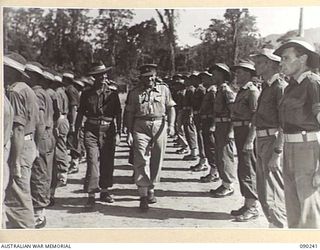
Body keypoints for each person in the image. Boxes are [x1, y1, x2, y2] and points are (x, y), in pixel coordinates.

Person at [274, 39, 320, 228]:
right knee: (292, 207)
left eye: (286, 57)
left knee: (308, 208)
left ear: (302, 59)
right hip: (290, 147)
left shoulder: (312, 82)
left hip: (307, 149)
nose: (281, 62)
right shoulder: (291, 85)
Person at [125, 64, 176, 212]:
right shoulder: (134, 93)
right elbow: (128, 113)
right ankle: (143, 195)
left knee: (157, 158)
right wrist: (128, 132)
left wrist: (171, 126)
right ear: (141, 78)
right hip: (140, 125)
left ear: (155, 75)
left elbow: (171, 107)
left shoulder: (164, 89)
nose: (150, 79)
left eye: (152, 76)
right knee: (141, 159)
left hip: (160, 125)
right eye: (146, 77)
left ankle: (151, 188)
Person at [74, 61, 122, 207]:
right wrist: (76, 132)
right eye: (99, 75)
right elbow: (81, 113)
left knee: (107, 161)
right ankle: (91, 194)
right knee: (92, 161)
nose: (102, 77)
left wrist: (119, 132)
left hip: (108, 130)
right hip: (91, 131)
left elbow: (118, 114)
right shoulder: (86, 94)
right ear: (94, 77)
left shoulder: (113, 94)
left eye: (104, 74)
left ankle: (105, 191)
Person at [250, 48, 288, 228]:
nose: (255, 66)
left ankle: (279, 227)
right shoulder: (266, 86)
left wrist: (277, 153)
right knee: (264, 190)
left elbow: (284, 124)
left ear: (270, 64)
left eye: (259, 62)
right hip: (262, 140)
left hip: (272, 140)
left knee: (272, 190)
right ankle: (274, 225)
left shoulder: (279, 87)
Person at [4, 53, 39, 228]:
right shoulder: (27, 89)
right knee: (22, 191)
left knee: (18, 196)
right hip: (28, 144)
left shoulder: (14, 91)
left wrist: (15, 161)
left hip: (20, 146)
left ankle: (25, 234)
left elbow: (18, 127)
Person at [25, 61, 55, 229]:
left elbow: (40, 122)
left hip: (41, 136)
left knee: (38, 173)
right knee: (44, 172)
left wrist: (35, 144)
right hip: (47, 136)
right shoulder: (44, 93)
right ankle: (41, 208)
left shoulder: (37, 94)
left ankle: (38, 214)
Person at [230, 59, 260, 222]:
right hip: (239, 130)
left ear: (248, 74)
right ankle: (247, 203)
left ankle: (252, 207)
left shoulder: (252, 91)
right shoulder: (242, 91)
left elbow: (256, 116)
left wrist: (250, 140)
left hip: (247, 131)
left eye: (240, 72)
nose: (236, 75)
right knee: (243, 167)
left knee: (248, 169)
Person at [209, 63, 237, 197]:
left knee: (226, 156)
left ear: (222, 75)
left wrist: (231, 131)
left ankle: (229, 185)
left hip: (226, 126)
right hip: (220, 125)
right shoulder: (219, 89)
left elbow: (233, 113)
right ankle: (224, 182)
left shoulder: (226, 90)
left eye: (214, 74)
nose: (212, 77)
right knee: (220, 155)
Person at [197, 71, 220, 182]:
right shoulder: (208, 91)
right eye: (202, 79)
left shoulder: (213, 91)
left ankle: (214, 172)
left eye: (206, 78)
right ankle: (213, 171)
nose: (203, 81)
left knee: (211, 148)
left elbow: (216, 109)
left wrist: (213, 125)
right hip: (205, 120)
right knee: (207, 146)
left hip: (210, 121)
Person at [190, 73, 209, 171]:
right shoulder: (197, 89)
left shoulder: (202, 90)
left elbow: (204, 105)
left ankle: (203, 161)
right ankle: (202, 160)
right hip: (197, 115)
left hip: (201, 116)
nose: (192, 81)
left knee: (201, 138)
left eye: (194, 79)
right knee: (199, 137)